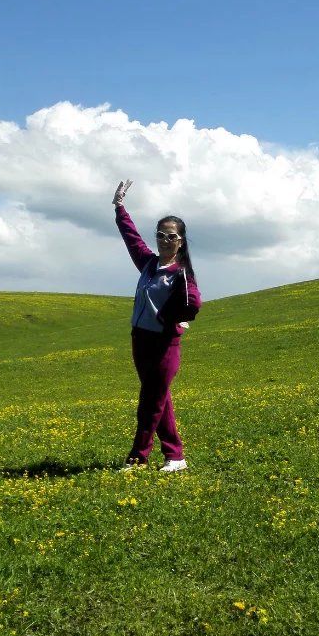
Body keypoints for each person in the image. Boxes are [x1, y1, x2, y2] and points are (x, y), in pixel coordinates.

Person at [112, 178, 202, 472]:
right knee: (159, 399)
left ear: (181, 241)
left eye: (172, 236)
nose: (165, 240)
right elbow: (132, 238)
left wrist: (172, 318)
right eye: (161, 235)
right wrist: (120, 208)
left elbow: (193, 304)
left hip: (164, 345)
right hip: (140, 341)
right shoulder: (150, 264)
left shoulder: (181, 272)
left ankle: (137, 459)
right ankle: (176, 457)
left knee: (149, 403)